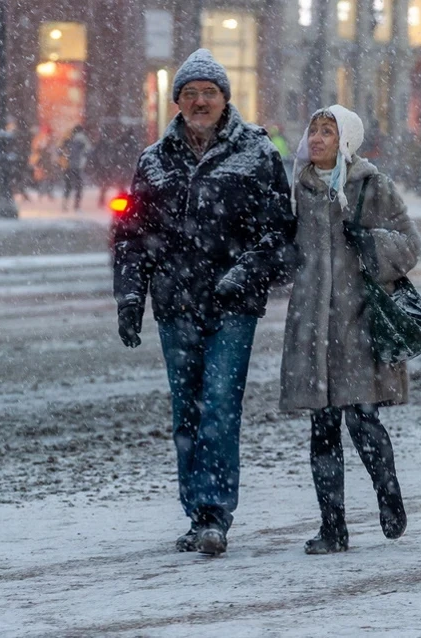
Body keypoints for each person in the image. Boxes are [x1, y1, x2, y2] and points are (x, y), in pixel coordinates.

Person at [111, 48, 295, 556]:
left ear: (224, 99)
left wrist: (245, 272)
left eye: (208, 93)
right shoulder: (154, 160)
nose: (199, 101)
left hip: (232, 306)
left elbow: (280, 232)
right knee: (186, 413)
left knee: (218, 406)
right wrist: (131, 299)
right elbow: (132, 237)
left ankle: (215, 513)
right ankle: (196, 514)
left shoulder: (256, 152)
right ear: (177, 102)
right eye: (189, 93)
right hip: (175, 305)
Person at [281, 105, 419, 554]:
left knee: (363, 420)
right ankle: (333, 528)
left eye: (328, 131)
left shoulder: (369, 183)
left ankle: (389, 497)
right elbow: (283, 245)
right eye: (314, 129)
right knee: (322, 429)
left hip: (357, 323)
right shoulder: (295, 188)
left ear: (346, 140)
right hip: (311, 327)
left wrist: (372, 244)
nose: (318, 138)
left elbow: (409, 245)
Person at [60, 125, 92, 212]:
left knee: (68, 186)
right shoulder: (84, 140)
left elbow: (61, 151)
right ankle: (77, 206)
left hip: (68, 166)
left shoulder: (68, 140)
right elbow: (88, 152)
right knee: (79, 187)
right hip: (78, 167)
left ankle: (65, 204)